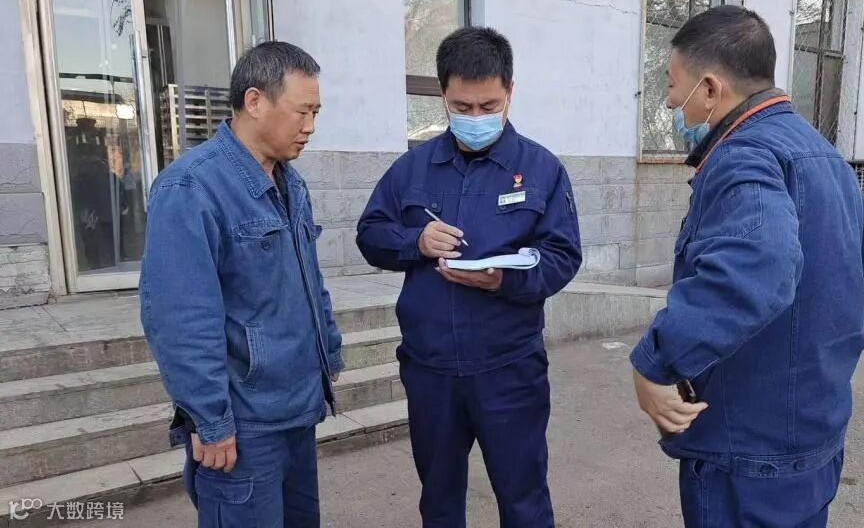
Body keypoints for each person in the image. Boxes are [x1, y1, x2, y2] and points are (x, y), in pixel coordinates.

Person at [629, 6, 864, 527]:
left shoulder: (742, 156)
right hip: (813, 436)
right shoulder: (822, 153)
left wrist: (655, 362)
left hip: (748, 453)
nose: (669, 100)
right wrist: (815, 362)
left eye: (672, 84)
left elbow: (761, 265)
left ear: (710, 88)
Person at [356, 27, 581, 527]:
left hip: (509, 368)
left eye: (488, 106)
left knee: (524, 501)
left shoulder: (542, 169)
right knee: (438, 501)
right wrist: (415, 242)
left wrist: (504, 279)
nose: (475, 117)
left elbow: (563, 256)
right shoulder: (412, 169)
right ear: (443, 96)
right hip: (431, 368)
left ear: (510, 93)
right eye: (462, 107)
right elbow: (370, 234)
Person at [139, 41, 344, 527]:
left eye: (315, 112)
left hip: (296, 409)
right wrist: (209, 419)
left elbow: (309, 280)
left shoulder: (291, 182)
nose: (310, 126)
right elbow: (181, 319)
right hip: (244, 425)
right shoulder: (191, 187)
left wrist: (329, 352)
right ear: (255, 101)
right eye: (302, 111)